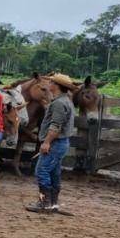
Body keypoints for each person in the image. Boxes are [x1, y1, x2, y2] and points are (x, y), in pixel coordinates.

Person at [26, 73, 76, 214]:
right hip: (61, 143)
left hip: (55, 143)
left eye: (51, 82)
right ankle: (53, 203)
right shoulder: (66, 101)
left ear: (56, 86)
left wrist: (46, 142)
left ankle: (45, 203)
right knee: (54, 173)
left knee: (41, 171)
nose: (49, 84)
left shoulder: (59, 103)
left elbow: (55, 126)